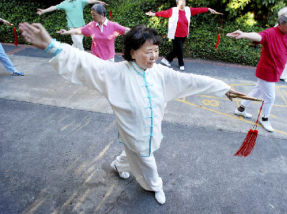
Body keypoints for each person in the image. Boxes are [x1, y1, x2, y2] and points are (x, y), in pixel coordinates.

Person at [19, 22, 246, 205]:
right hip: (132, 131)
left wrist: (223, 88)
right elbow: (85, 62)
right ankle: (154, 185)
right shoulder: (115, 73)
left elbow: (192, 81)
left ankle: (118, 165)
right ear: (132, 52)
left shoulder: (161, 73)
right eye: (148, 51)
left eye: (156, 50)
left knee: (132, 154)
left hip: (151, 129)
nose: (154, 56)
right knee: (146, 160)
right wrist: (51, 45)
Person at [227, 6, 287, 132]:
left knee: (258, 90)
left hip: (276, 71)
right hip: (267, 71)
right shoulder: (270, 33)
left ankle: (240, 109)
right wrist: (243, 34)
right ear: (282, 23)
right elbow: (258, 36)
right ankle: (264, 119)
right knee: (270, 97)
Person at [146, 0, 222, 71]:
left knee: (176, 49)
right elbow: (163, 13)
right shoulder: (173, 10)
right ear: (177, 3)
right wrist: (154, 14)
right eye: (180, 2)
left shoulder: (188, 10)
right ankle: (181, 64)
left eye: (183, 1)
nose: (182, 3)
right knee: (180, 50)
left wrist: (208, 9)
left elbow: (199, 10)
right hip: (175, 35)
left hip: (184, 34)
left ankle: (166, 60)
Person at [57, 3, 129, 61]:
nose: (92, 17)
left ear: (102, 15)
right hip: (96, 59)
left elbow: (126, 30)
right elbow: (78, 30)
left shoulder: (113, 26)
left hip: (109, 60)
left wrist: (138, 31)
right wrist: (66, 32)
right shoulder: (91, 25)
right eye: (91, 15)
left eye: (94, 15)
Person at [37, 0, 108, 50]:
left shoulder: (80, 1)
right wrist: (44, 11)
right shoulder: (65, 3)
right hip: (72, 28)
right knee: (79, 44)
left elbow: (90, 1)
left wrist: (99, 2)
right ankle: (83, 60)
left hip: (82, 27)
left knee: (76, 45)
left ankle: (68, 56)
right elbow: (54, 7)